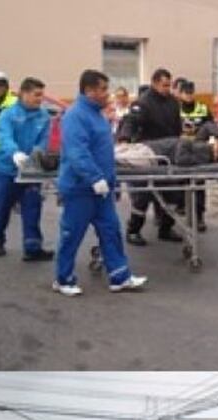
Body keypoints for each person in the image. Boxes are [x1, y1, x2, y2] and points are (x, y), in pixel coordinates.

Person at [53, 69, 148, 297]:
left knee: (111, 231)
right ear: (89, 91)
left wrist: (109, 182)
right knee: (72, 234)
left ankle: (120, 276)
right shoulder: (76, 116)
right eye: (103, 89)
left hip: (101, 188)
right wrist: (94, 178)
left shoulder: (98, 114)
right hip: (81, 188)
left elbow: (104, 151)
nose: (107, 93)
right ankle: (63, 279)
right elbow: (77, 152)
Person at [0, 76, 55, 261]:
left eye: (41, 95)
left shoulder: (43, 116)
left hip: (31, 169)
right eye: (36, 95)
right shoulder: (8, 115)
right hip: (7, 169)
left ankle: (32, 247)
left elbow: (43, 140)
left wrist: (35, 155)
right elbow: (5, 137)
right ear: (24, 93)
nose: (40, 98)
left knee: (32, 207)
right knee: (2, 207)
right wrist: (14, 153)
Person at [121, 68, 184, 245]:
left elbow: (176, 126)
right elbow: (130, 121)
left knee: (172, 193)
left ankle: (165, 228)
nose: (167, 88)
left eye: (169, 85)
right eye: (164, 85)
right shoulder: (143, 103)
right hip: (148, 154)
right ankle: (133, 230)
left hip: (168, 154)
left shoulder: (172, 102)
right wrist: (125, 139)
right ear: (155, 83)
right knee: (143, 196)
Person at [178, 80, 213, 230]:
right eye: (186, 93)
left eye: (191, 93)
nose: (189, 96)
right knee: (179, 184)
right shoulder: (175, 109)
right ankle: (181, 211)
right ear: (180, 94)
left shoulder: (203, 109)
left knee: (199, 185)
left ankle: (199, 217)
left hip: (199, 152)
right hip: (181, 152)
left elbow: (211, 127)